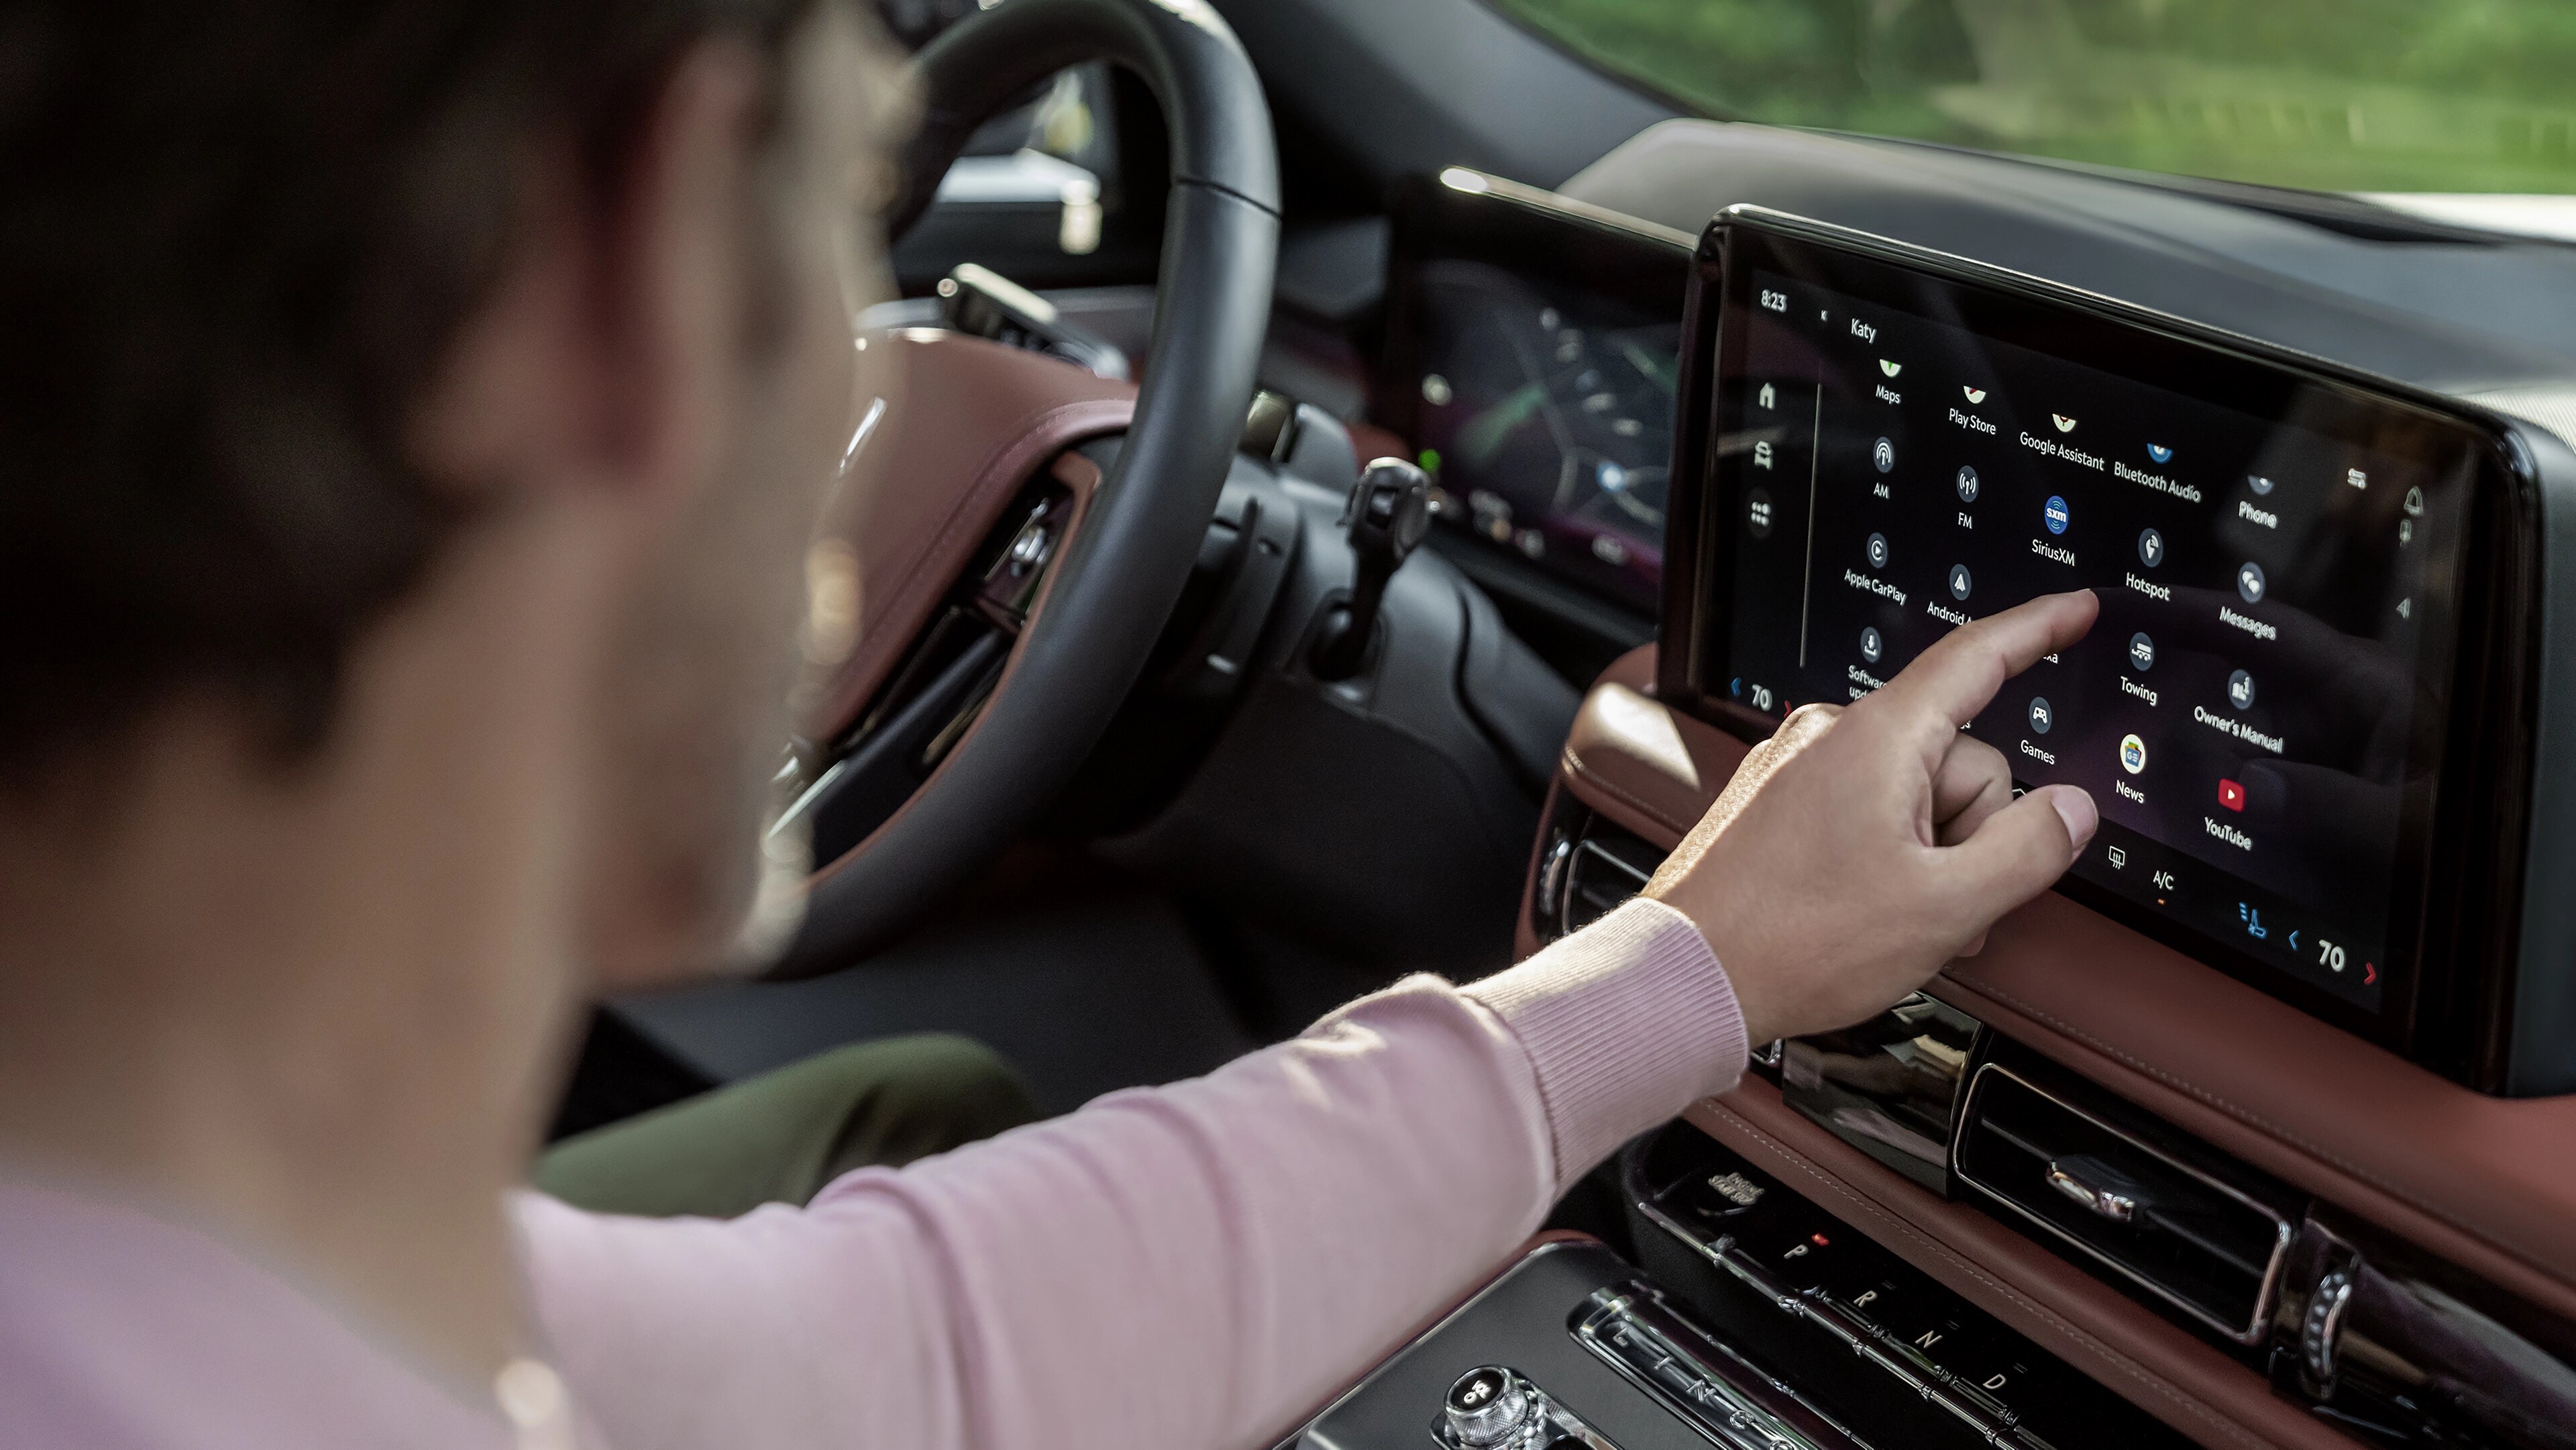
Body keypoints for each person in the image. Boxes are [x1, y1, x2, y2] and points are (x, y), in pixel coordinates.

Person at [0, 1, 2102, 1447]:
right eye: (836, 255)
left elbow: (893, 1353)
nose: (865, 396)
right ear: (626, 278)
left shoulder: (267, 1282)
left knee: (927, 1094)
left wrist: (1687, 968)